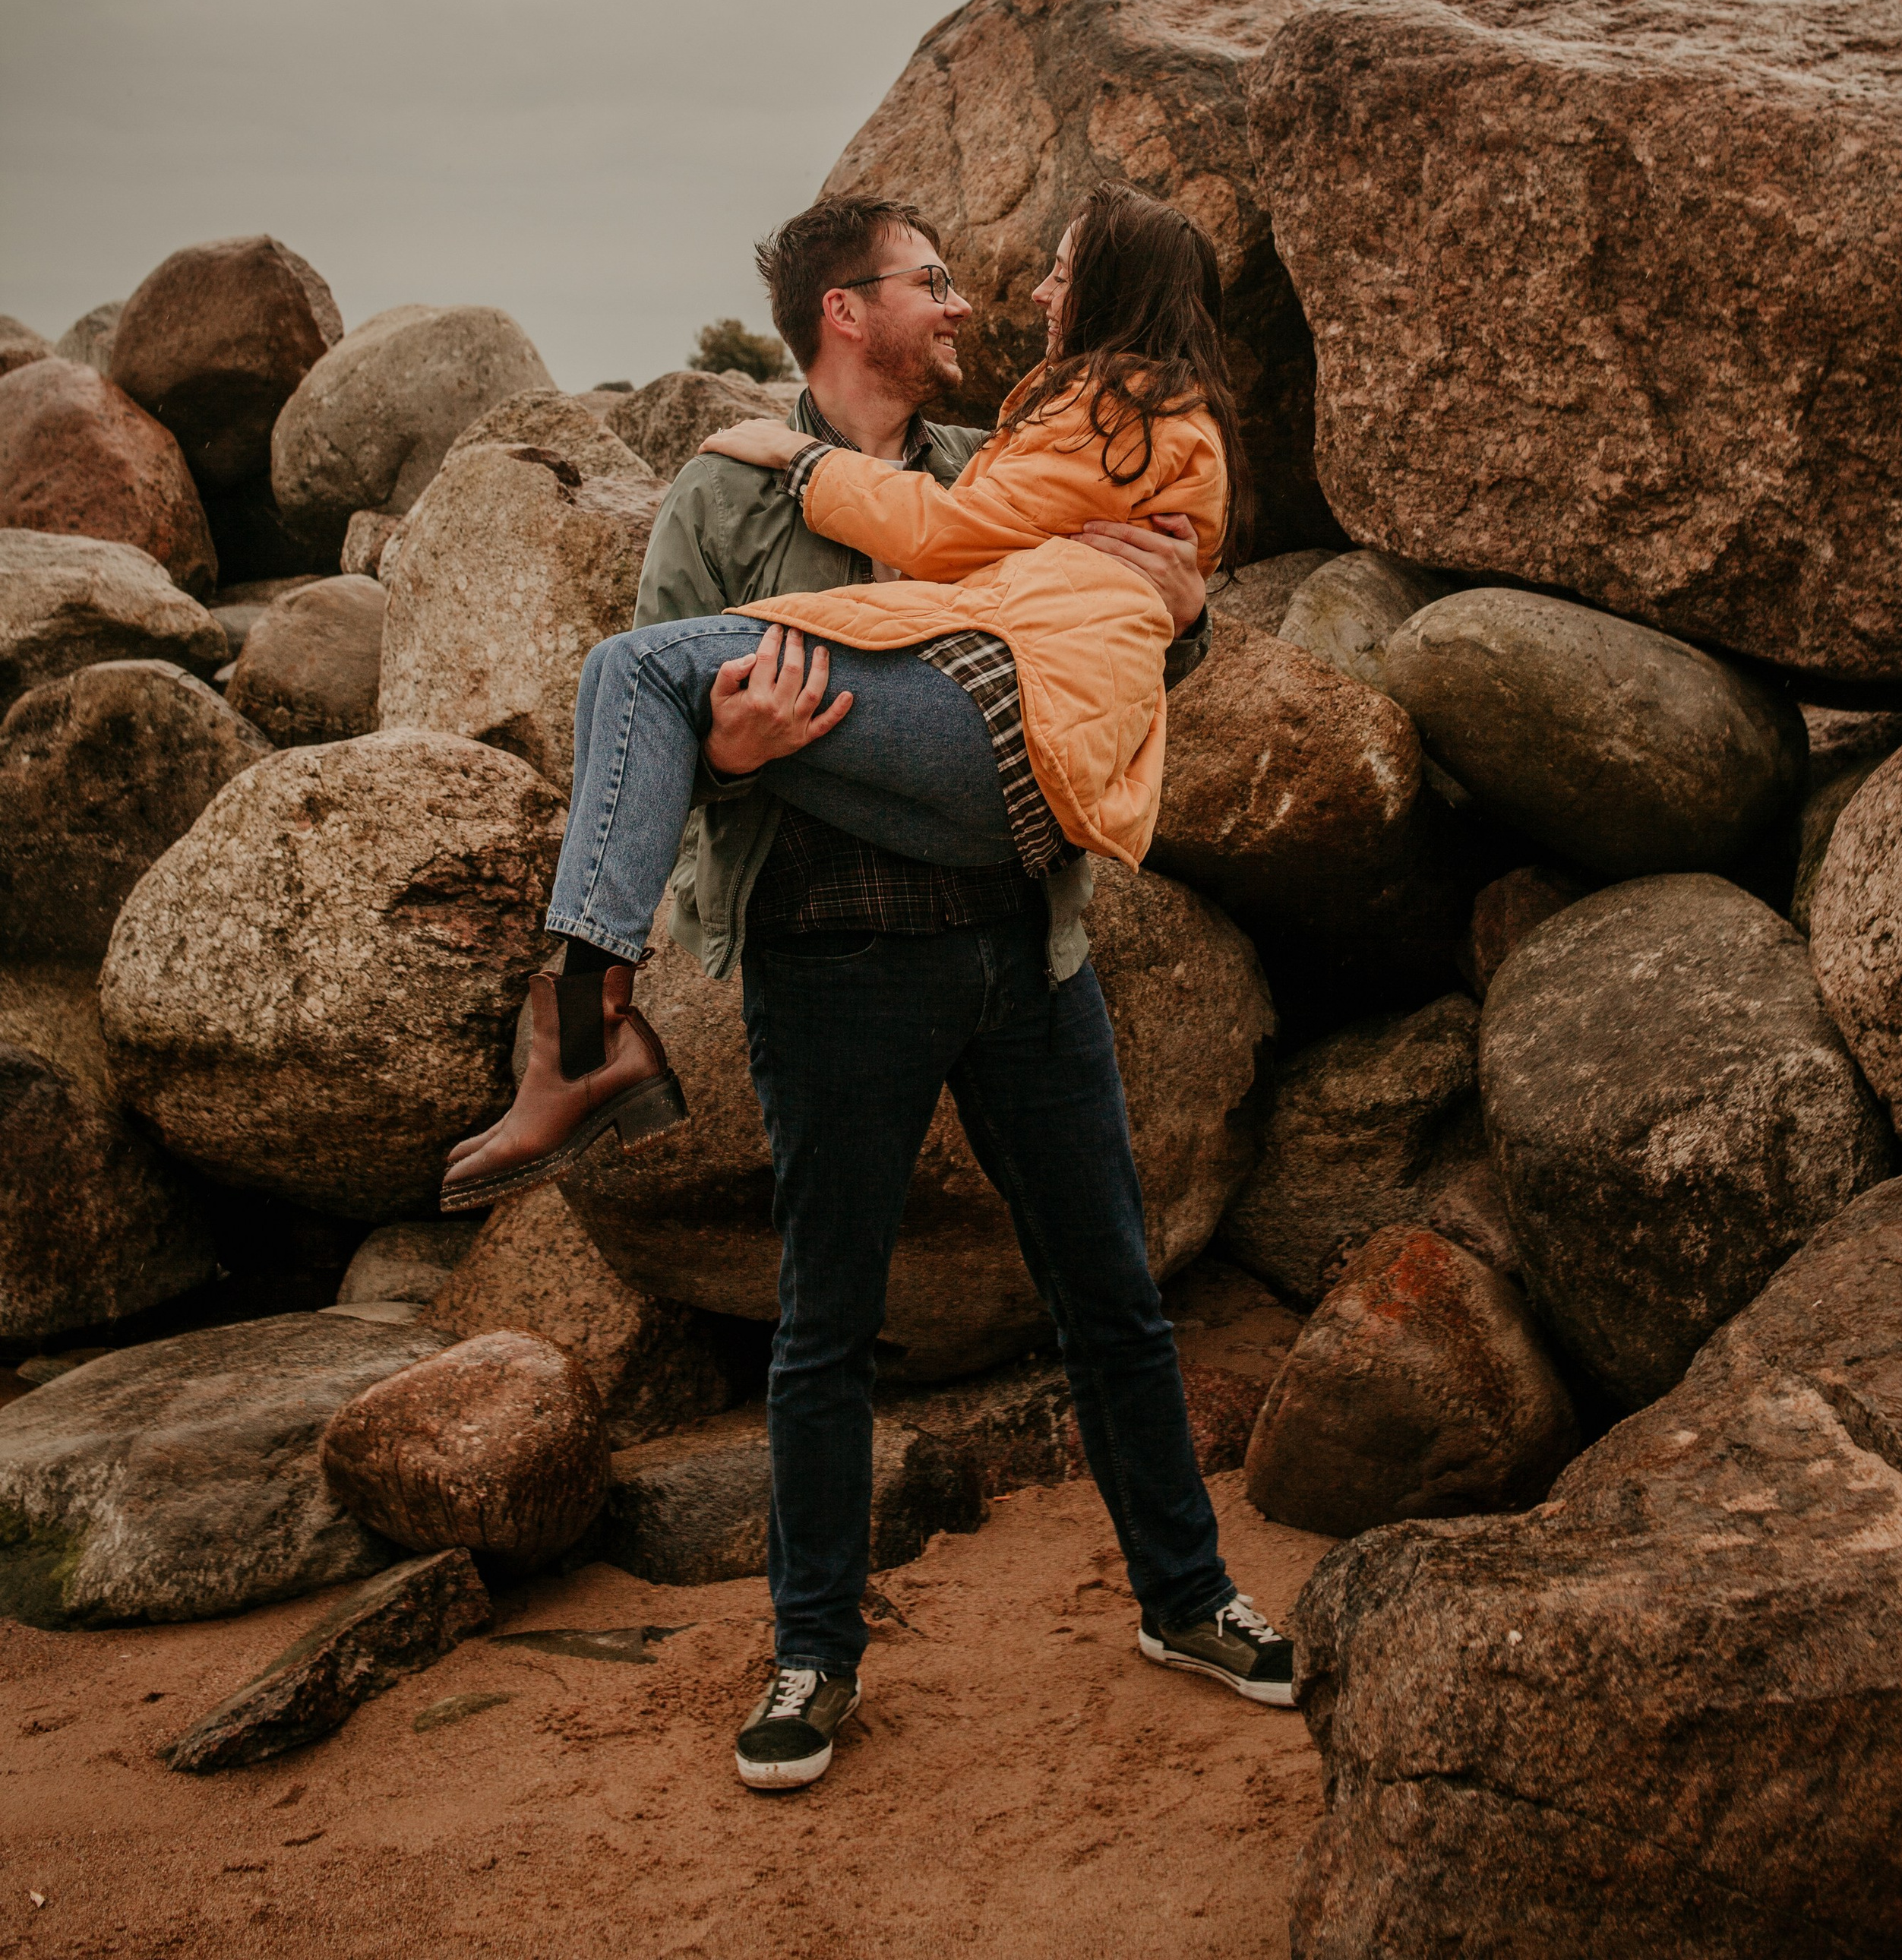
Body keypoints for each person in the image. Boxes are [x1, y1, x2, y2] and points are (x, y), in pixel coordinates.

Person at [446, 191, 1299, 1783]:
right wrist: (735, 751)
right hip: (831, 966)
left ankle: (1185, 1598)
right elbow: (638, 749)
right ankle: (812, 1652)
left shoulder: (991, 471)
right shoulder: (720, 497)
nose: (964, 304)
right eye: (929, 282)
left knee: (1111, 1298)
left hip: (1018, 947)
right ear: (848, 313)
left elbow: (1110, 645)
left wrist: (1183, 598)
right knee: (823, 1326)